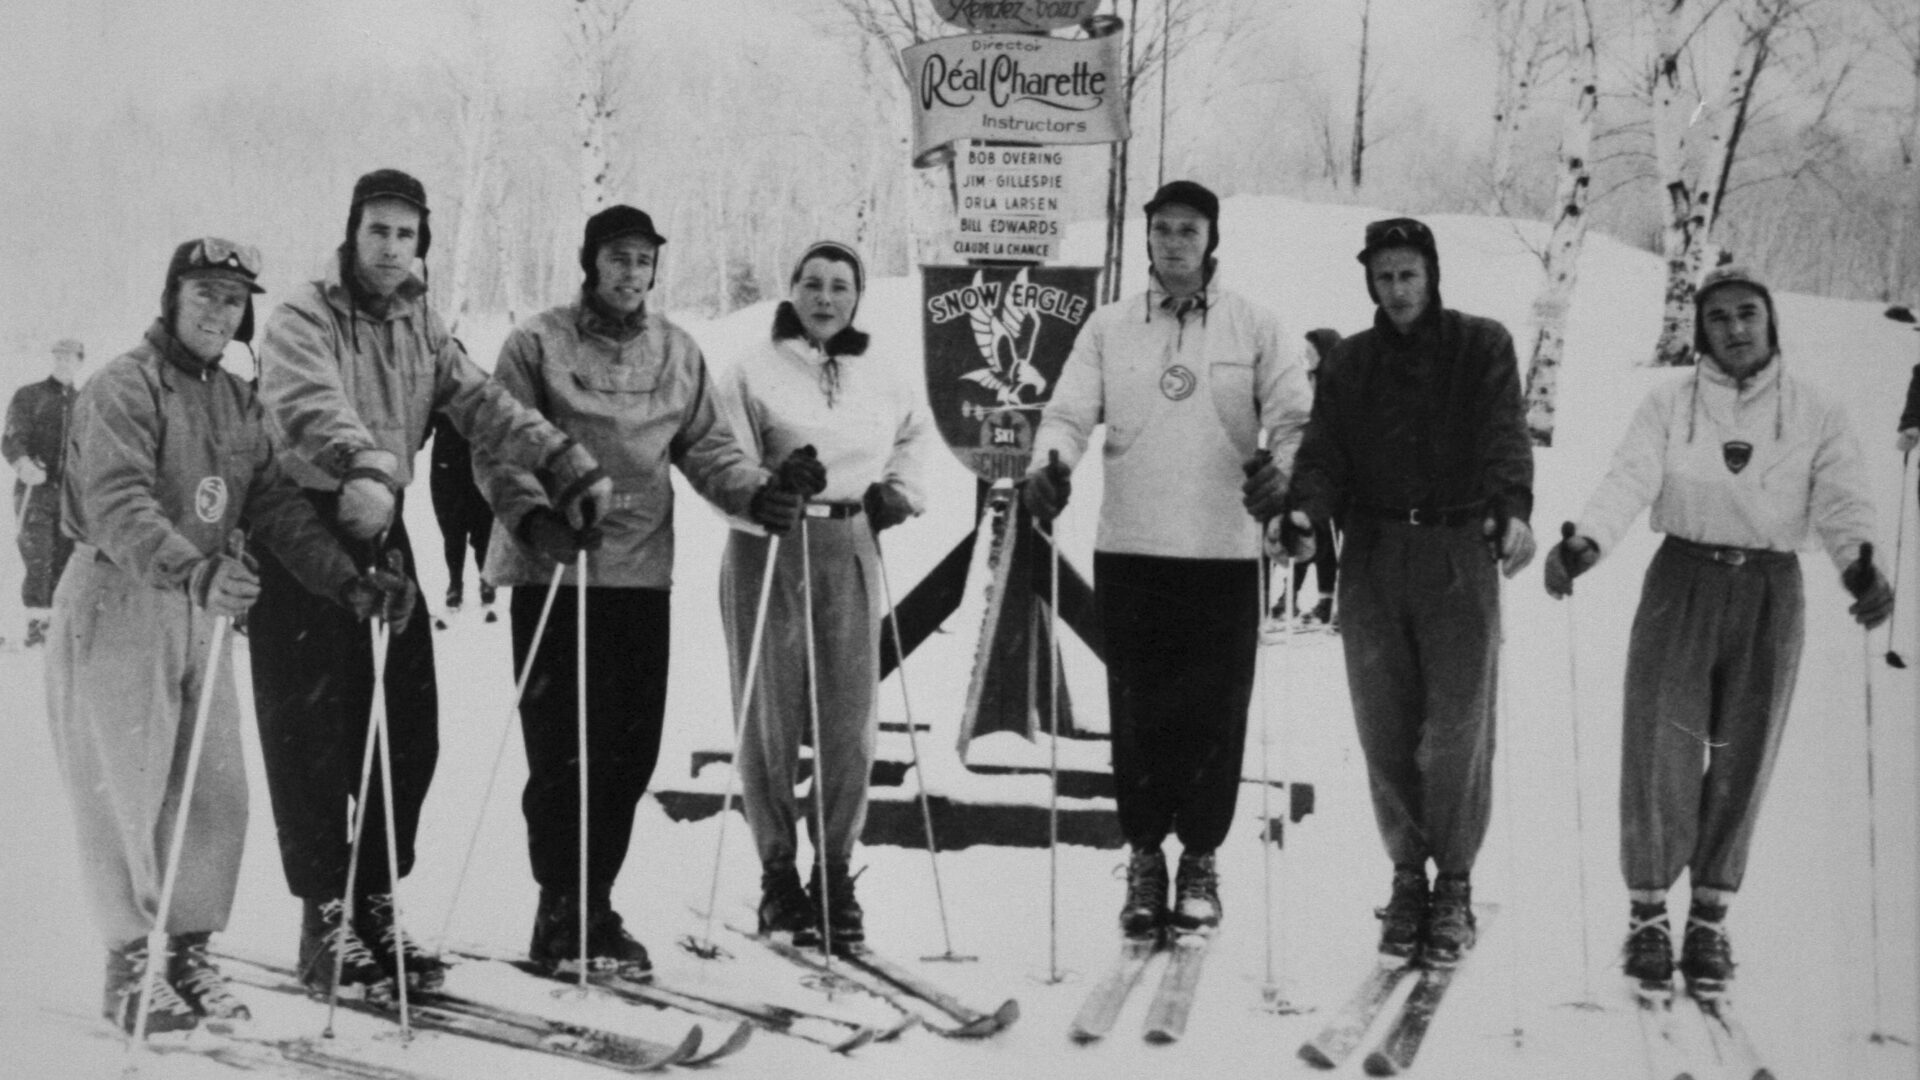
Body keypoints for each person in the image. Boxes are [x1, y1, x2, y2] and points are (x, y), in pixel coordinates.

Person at [250, 169, 612, 995]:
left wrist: (560, 460)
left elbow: (479, 401)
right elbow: (308, 403)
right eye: (377, 231)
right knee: (314, 733)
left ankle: (372, 895)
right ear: (352, 232)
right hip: (308, 517)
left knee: (407, 727)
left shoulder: (419, 319)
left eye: (405, 235)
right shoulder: (305, 315)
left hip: (386, 524)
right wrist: (366, 462)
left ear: (422, 244)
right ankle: (323, 916)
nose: (390, 248)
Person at [45, 238, 413, 1034]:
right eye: (205, 293)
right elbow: (119, 503)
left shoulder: (239, 402)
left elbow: (274, 504)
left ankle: (189, 950)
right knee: (128, 786)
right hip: (121, 596)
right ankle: (130, 961)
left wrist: (346, 579)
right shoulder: (124, 385)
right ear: (172, 297)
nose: (220, 311)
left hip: (197, 606)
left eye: (234, 298)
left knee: (213, 791)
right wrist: (196, 570)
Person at [1543, 264, 1887, 997]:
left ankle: (1708, 918)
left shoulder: (1816, 410)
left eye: (1748, 315)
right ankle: (1646, 914)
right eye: (1720, 317)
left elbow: (1843, 499)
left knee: (1745, 749)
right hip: (1683, 580)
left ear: (1770, 322)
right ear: (1701, 329)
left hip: (1770, 589)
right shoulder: (1671, 404)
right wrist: (1586, 544)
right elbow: (1629, 478)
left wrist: (1860, 567)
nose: (1735, 329)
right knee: (1659, 746)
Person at [476, 205, 796, 975]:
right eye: (617, 258)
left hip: (638, 576)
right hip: (556, 568)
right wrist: (534, 518)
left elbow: (709, 449)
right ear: (591, 262)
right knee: (562, 753)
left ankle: (595, 901)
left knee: (625, 752)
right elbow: (497, 442)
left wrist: (758, 493)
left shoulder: (678, 351)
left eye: (643, 261)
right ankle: (559, 907)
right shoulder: (536, 342)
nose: (630, 274)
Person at [1022, 180, 1311, 939]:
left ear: (1211, 239)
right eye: (1163, 230)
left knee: (1216, 714)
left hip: (1224, 553)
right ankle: (1146, 857)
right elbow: (1066, 412)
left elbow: (1295, 419)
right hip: (1134, 550)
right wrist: (1051, 464)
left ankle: (1202, 860)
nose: (1175, 242)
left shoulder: (1254, 326)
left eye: (1190, 230)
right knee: (1140, 713)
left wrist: (1285, 474)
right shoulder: (1110, 327)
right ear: (1146, 238)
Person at [1280, 216, 1535, 965]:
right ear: (1370, 282)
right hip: (1375, 555)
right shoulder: (1351, 364)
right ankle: (1406, 880)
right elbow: (1325, 456)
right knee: (1384, 726)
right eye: (1384, 277)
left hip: (1459, 551)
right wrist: (1304, 511)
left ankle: (1452, 881)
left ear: (1432, 275)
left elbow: (1505, 436)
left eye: (1408, 275)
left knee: (1457, 729)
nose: (1397, 290)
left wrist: (1512, 510)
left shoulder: (1482, 345)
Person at [715, 240, 936, 946]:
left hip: (849, 539)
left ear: (857, 296)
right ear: (792, 290)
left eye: (840, 286)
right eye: (812, 283)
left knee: (849, 713)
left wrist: (897, 495)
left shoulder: (883, 372)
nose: (825, 297)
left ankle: (835, 872)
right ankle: (779, 875)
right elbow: (722, 458)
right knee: (771, 711)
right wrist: (766, 491)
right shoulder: (752, 368)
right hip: (768, 541)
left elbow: (914, 437)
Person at [5, 337, 83, 646]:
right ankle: (37, 626)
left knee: (65, 558)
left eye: (70, 357)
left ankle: (57, 626)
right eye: (59, 356)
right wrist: (23, 463)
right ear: (53, 359)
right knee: (38, 557)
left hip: (69, 495)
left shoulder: (83, 403)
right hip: (34, 492)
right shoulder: (30, 396)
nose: (64, 362)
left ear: (79, 361)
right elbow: (12, 436)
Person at [426, 411, 495, 619]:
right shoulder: (442, 386)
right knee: (452, 531)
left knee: (482, 528)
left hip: (479, 463)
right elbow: (421, 423)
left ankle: (486, 579)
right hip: (446, 466)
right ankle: (455, 582)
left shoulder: (488, 385)